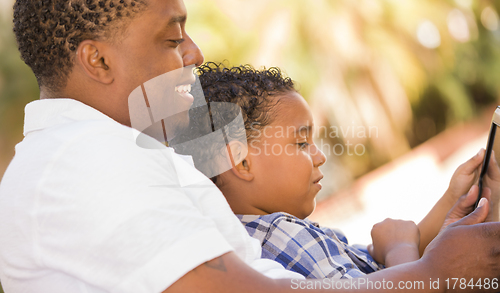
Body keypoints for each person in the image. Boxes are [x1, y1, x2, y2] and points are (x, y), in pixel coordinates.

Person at [1, 0, 500, 292]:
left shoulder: (111, 155)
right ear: (98, 60)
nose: (194, 53)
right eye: (172, 37)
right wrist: (429, 275)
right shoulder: (83, 164)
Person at [172, 62, 500, 278]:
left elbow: (382, 270)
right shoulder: (280, 237)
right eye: (301, 144)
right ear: (242, 162)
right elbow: (408, 279)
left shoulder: (261, 237)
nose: (319, 156)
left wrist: (453, 199)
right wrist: (401, 247)